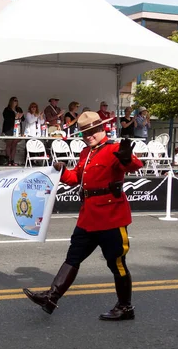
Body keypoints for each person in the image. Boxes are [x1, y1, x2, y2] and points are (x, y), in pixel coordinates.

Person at [23, 111, 143, 320]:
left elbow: (134, 165)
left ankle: (125, 307)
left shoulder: (115, 149)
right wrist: (61, 171)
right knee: (73, 257)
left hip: (111, 216)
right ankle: (52, 297)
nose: (89, 135)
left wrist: (126, 158)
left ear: (102, 128)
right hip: (88, 216)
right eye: (85, 133)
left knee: (116, 263)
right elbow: (76, 178)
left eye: (93, 131)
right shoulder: (86, 153)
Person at [3, 96, 25, 166]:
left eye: (17, 101)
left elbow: (23, 119)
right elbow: (6, 118)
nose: (16, 102)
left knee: (14, 145)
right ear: (11, 101)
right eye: (15, 100)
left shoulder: (19, 109)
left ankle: (12, 160)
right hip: (9, 129)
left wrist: (20, 117)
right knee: (9, 144)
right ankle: (8, 160)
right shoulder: (7, 109)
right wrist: (14, 118)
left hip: (17, 128)